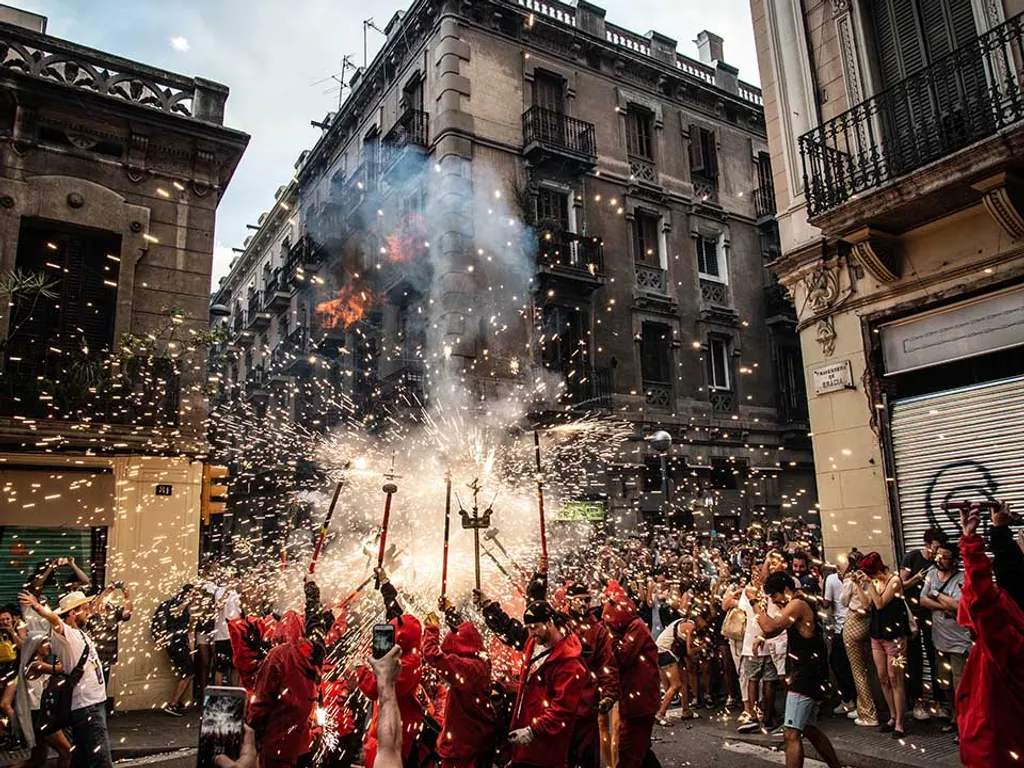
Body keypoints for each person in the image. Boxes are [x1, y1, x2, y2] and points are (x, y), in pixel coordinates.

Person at [954, 504, 1024, 768]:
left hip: (996, 750)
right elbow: (1012, 578)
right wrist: (1000, 530)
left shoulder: (1004, 646)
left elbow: (983, 599)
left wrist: (970, 542)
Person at [754, 572, 841, 768]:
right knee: (809, 729)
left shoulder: (797, 604)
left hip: (806, 674)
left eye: (775, 597)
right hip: (810, 672)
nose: (775, 603)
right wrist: (760, 637)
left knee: (791, 732)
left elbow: (770, 626)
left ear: (786, 590)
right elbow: (773, 630)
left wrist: (755, 602)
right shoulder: (799, 602)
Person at [18, 590, 111, 768]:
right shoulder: (65, 634)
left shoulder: (80, 634)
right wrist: (38, 607)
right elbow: (54, 620)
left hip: (93, 704)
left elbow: (72, 667)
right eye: (84, 609)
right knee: (101, 763)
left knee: (82, 761)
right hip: (87, 707)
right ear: (72, 613)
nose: (88, 612)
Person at [507, 600, 585, 768]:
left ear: (550, 623)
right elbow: (510, 631)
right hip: (524, 746)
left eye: (534, 627)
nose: (530, 633)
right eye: (528, 628)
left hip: (546, 749)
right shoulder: (533, 643)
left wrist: (533, 731)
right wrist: (487, 606)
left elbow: (562, 710)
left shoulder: (570, 665)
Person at [357, 571, 423, 768]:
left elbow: (374, 688)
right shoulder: (405, 651)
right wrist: (386, 584)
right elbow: (397, 617)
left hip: (394, 734)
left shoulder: (407, 664)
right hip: (386, 727)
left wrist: (360, 669)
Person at [421, 598, 496, 768]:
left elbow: (433, 656)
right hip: (474, 741)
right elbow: (465, 633)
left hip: (463, 749)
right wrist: (450, 612)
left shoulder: (468, 669)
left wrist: (431, 631)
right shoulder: (479, 658)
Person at [602, 583, 660, 768]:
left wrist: (609, 638)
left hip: (640, 702)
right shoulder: (633, 626)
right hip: (635, 699)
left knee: (629, 752)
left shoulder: (636, 627)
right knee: (641, 751)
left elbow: (621, 658)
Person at [857, 551, 911, 739]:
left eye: (870, 573)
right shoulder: (874, 582)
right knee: (882, 677)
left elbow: (880, 604)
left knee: (895, 677)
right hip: (877, 635)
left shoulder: (894, 581)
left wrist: (870, 583)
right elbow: (867, 605)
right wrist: (858, 585)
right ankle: (892, 715)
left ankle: (900, 723)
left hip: (895, 637)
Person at [920, 541, 971, 736]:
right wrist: (944, 605)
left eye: (944, 557)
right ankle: (955, 718)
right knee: (945, 684)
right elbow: (923, 600)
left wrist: (935, 594)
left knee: (961, 687)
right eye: (938, 555)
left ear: (955, 561)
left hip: (959, 643)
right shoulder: (931, 574)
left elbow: (958, 606)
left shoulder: (962, 578)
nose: (939, 559)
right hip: (939, 640)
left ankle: (965, 723)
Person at [900, 528, 946, 721]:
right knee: (914, 659)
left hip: (934, 616)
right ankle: (918, 701)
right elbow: (900, 585)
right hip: (914, 616)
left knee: (936, 658)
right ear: (927, 544)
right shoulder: (912, 558)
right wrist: (916, 579)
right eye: (935, 547)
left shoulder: (940, 561)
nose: (938, 552)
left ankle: (939, 701)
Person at [12, 634, 72, 768]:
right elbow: (62, 669)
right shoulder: (35, 665)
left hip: (38, 715)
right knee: (66, 751)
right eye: (46, 643)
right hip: (40, 716)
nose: (49, 647)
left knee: (37, 760)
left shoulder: (35, 664)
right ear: (36, 647)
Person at [86, 582, 132, 713]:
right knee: (90, 684)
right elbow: (93, 611)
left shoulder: (112, 610)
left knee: (102, 684)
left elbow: (126, 615)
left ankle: (98, 711)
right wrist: (105, 593)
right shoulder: (91, 611)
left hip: (107, 656)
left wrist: (127, 596)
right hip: (92, 656)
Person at [152, 584, 195, 716]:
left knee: (187, 671)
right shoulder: (177, 603)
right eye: (192, 593)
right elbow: (175, 612)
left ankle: (177, 701)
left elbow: (188, 627)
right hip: (175, 643)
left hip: (180, 642)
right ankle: (173, 704)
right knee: (189, 672)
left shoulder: (186, 606)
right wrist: (188, 602)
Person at [822, 562, 856, 717]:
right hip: (844, 628)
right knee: (843, 665)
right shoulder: (833, 580)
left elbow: (826, 603)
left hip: (847, 628)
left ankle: (852, 701)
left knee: (843, 665)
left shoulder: (854, 582)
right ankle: (850, 700)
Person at [653, 616, 694, 724]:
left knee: (684, 679)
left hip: (666, 650)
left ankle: (686, 710)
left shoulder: (683, 621)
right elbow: (689, 652)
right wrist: (701, 648)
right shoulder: (691, 627)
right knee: (676, 685)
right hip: (665, 652)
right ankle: (660, 714)